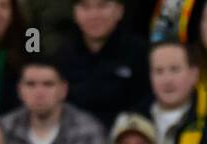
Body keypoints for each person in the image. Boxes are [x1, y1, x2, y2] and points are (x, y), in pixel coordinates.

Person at [56, 0, 149, 130]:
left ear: (119, 11)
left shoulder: (141, 53)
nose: (94, 15)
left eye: (102, 6)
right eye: (85, 7)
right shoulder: (62, 57)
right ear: (75, 13)